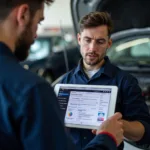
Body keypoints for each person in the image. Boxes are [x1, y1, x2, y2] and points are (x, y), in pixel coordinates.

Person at [0, 0, 124, 150]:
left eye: (100, 41)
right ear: (23, 14)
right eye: (39, 22)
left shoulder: (124, 81)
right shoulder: (31, 89)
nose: (35, 34)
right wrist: (107, 138)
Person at [60, 12, 150, 150]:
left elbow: (144, 132)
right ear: (79, 39)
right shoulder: (65, 81)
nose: (92, 48)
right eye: (87, 40)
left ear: (109, 43)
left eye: (100, 41)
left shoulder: (125, 81)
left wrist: (116, 124)